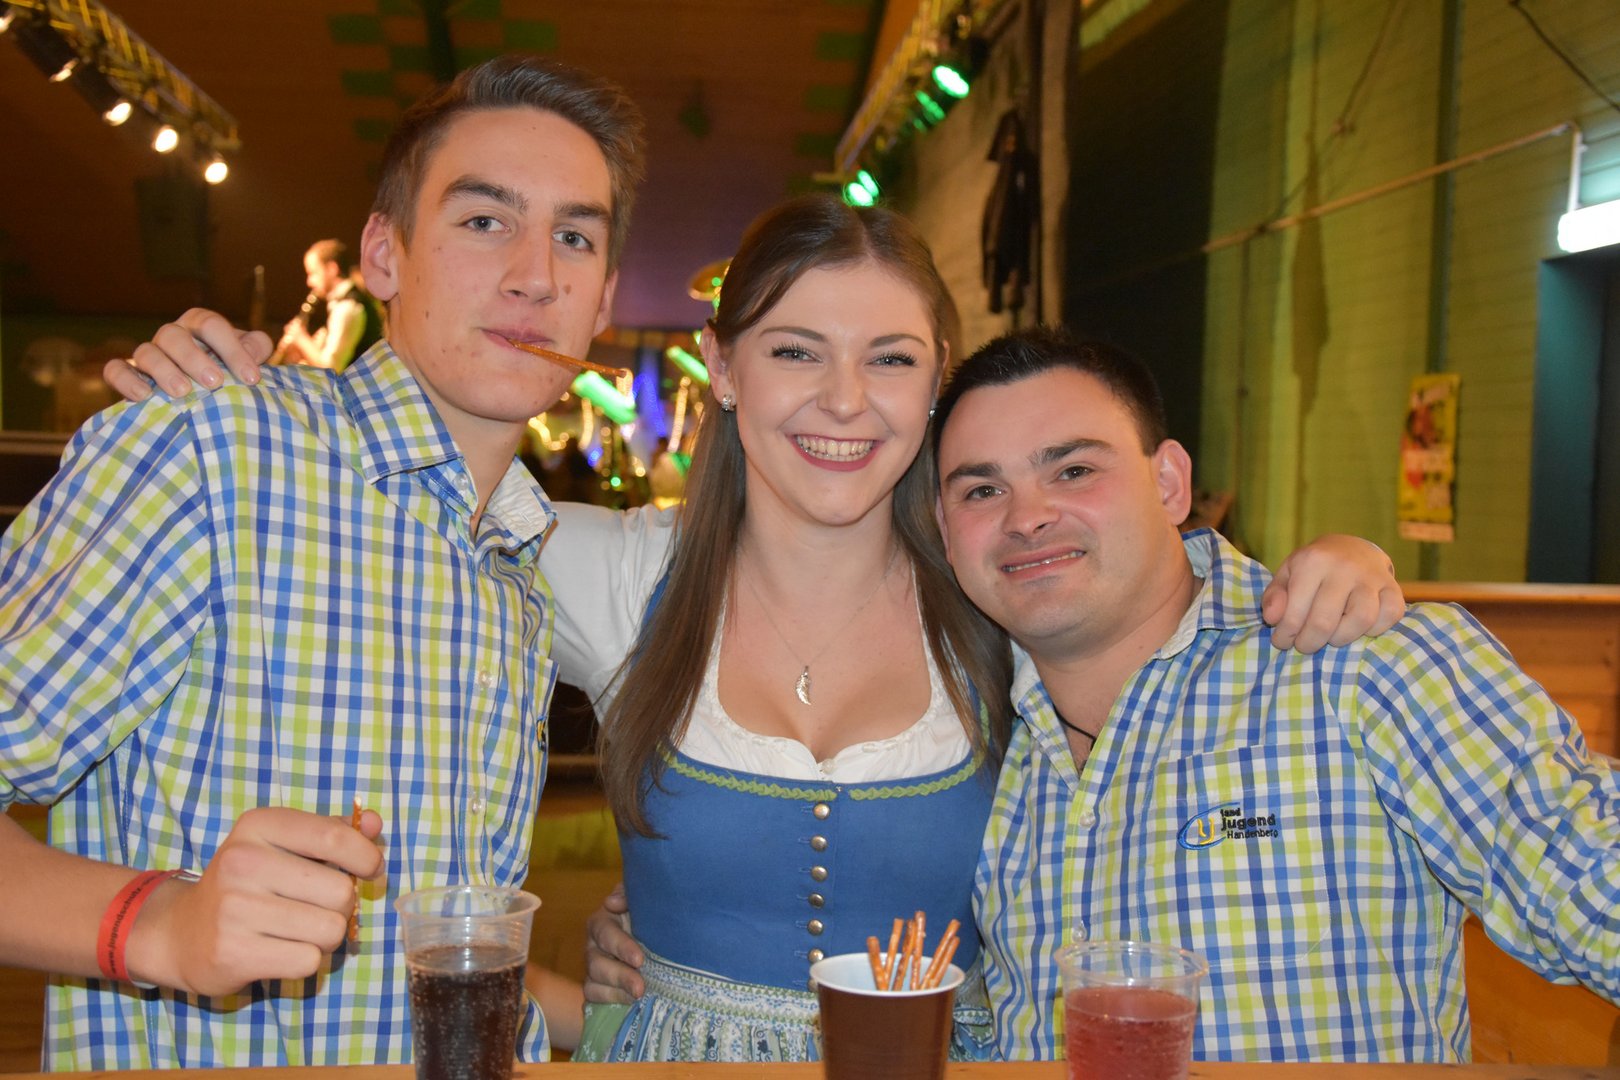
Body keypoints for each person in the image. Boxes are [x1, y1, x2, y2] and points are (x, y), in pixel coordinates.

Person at [103, 197, 1404, 1063]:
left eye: (891, 358)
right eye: (793, 352)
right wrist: (249, 393)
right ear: (722, 370)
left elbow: (1142, 592)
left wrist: (1329, 568)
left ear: (936, 382)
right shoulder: (618, 572)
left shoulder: (992, 591)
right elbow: (392, 494)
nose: (844, 400)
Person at [0, 54, 645, 1070]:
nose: (536, 274)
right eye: (485, 220)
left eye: (574, 236)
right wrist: (159, 925)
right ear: (383, 256)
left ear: (602, 298)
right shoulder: (214, 447)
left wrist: (616, 1021)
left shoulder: (513, 571)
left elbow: (418, 948)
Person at [928, 327, 1620, 1061]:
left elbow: (1588, 875)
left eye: (1073, 470)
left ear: (1169, 483)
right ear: (945, 530)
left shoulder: (1361, 664)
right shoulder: (962, 739)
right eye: (982, 490)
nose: (1027, 517)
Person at [272, 239, 385, 372]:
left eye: (313, 273)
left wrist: (301, 338)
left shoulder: (347, 307)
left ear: (331, 269)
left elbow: (331, 370)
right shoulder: (341, 304)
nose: (309, 282)